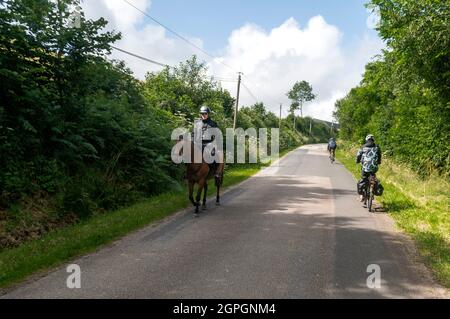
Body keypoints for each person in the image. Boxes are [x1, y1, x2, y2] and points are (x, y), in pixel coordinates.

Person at [193, 106, 221, 176]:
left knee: (213, 154)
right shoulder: (197, 124)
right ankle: (188, 173)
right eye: (202, 114)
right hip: (198, 143)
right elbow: (193, 134)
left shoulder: (213, 123)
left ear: (208, 114)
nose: (204, 115)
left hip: (209, 143)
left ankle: (215, 171)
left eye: (205, 114)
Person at [356, 134, 382, 202]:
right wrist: (378, 162)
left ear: (366, 139)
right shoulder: (377, 147)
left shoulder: (363, 147)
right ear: (373, 139)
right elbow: (379, 156)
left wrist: (357, 161)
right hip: (374, 167)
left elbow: (358, 155)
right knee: (373, 177)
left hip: (365, 167)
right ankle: (373, 189)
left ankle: (362, 196)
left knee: (363, 178)